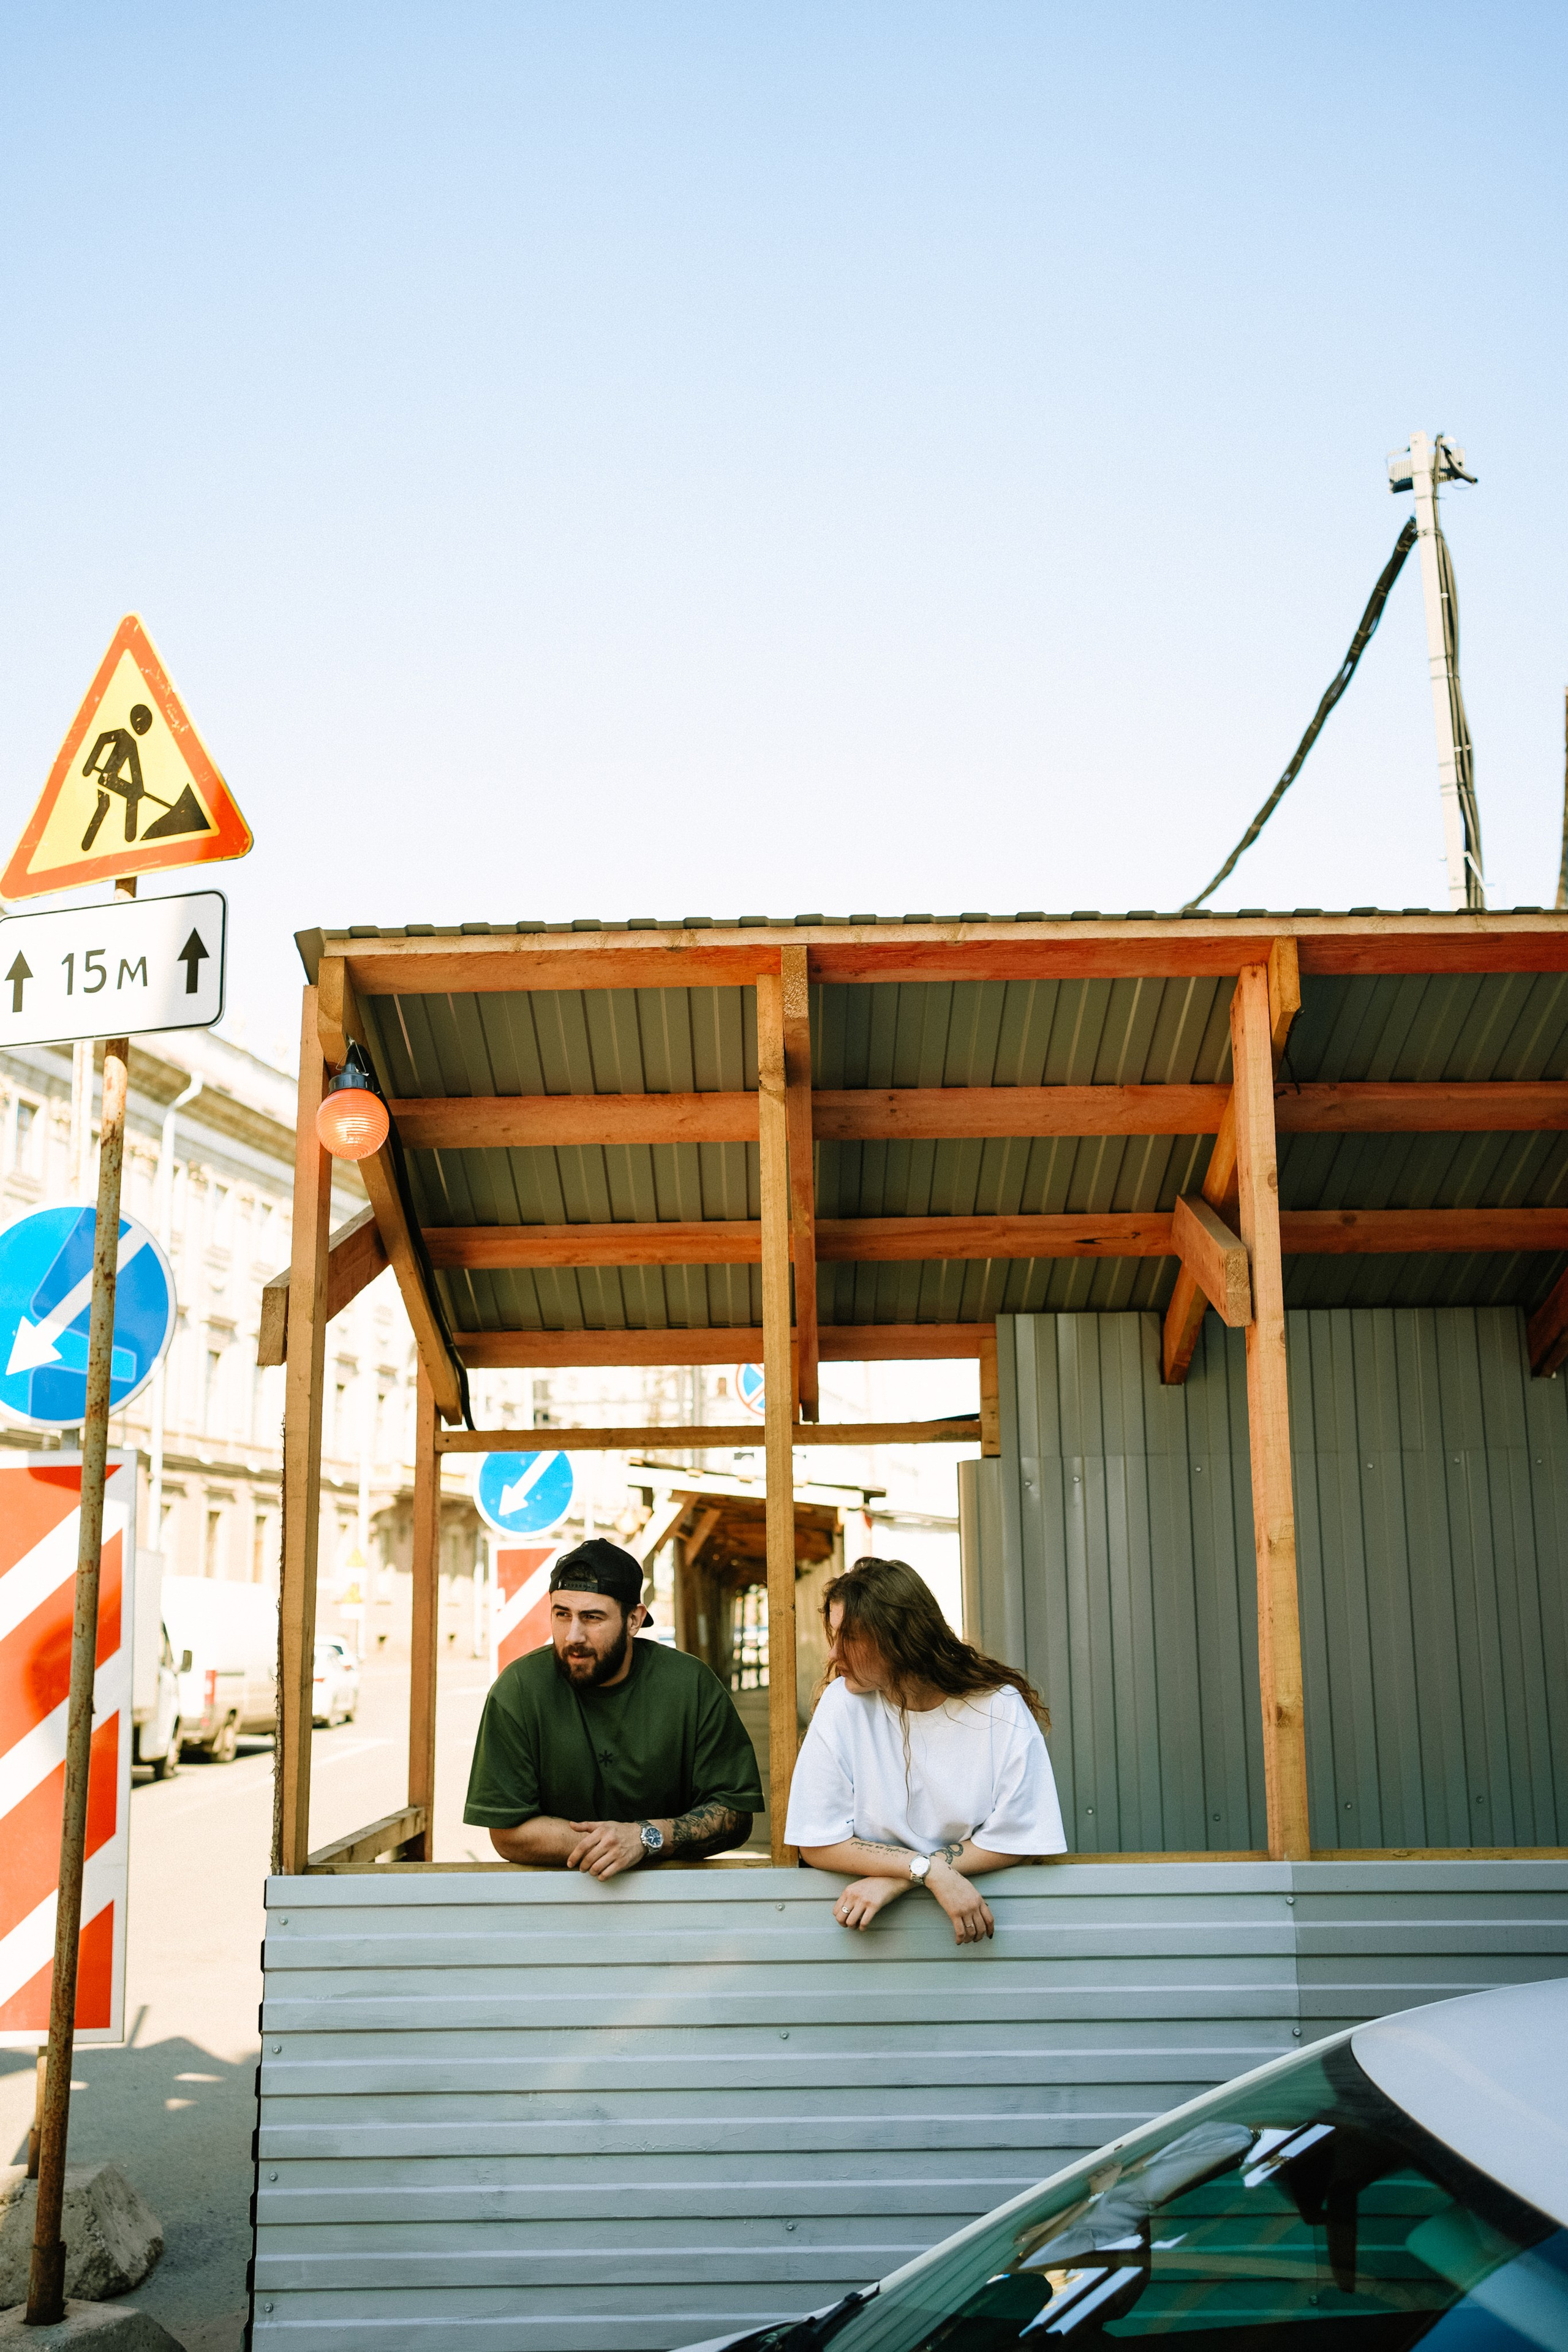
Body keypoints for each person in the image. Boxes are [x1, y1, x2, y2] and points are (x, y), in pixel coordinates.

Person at [785, 1556, 1065, 1943]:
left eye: (849, 1638)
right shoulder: (843, 1704)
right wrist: (928, 1872)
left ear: (899, 1640)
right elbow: (818, 1841)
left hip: (987, 1927)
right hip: (866, 1938)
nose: (833, 1656)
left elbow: (1018, 1838)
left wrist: (900, 1878)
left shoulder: (998, 1707)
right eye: (835, 1637)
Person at [464, 1536, 764, 1875]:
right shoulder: (518, 1690)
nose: (573, 1635)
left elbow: (735, 1815)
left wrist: (644, 1838)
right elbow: (507, 1833)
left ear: (634, 1620)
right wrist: (614, 1843)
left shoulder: (690, 1684)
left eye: (592, 1617)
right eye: (562, 1615)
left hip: (675, 1898)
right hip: (553, 1903)